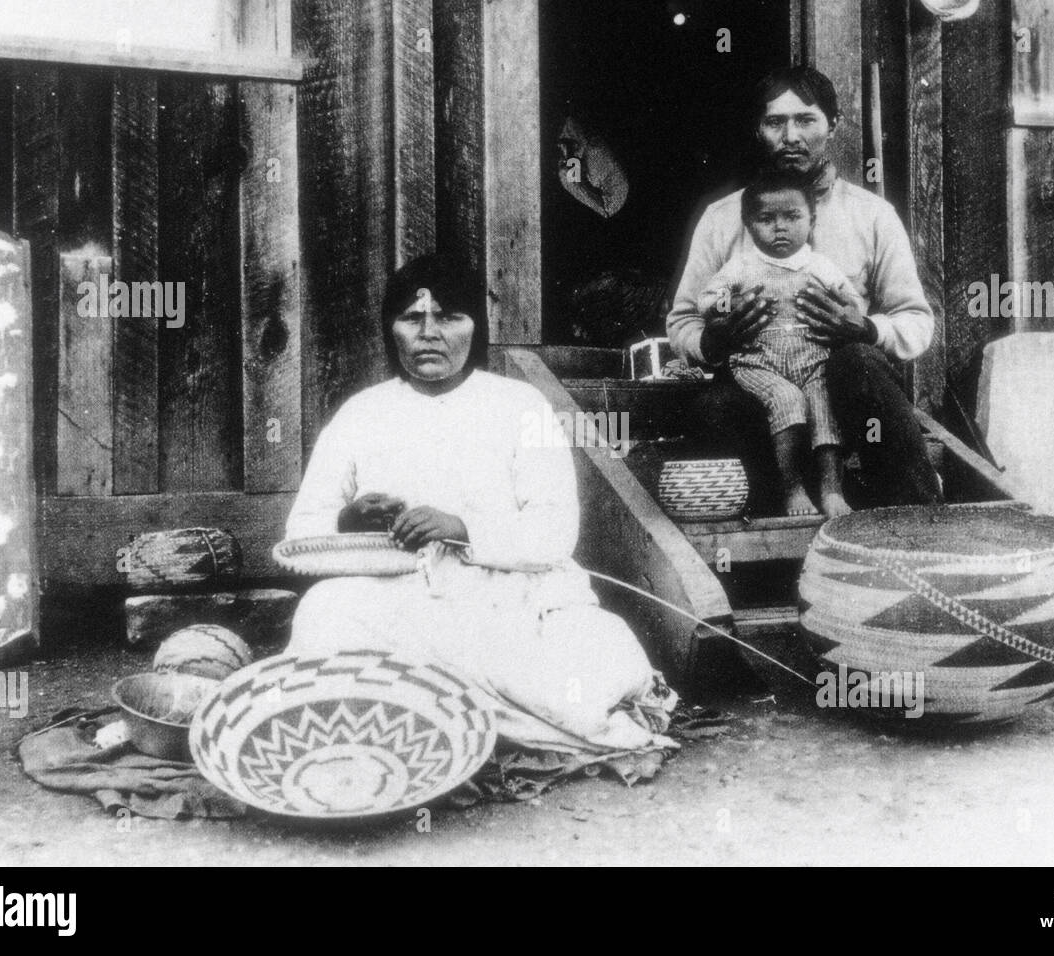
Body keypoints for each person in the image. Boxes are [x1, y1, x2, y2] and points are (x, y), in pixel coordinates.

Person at [285, 254, 677, 764]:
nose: (429, 333)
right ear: (390, 329)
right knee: (324, 614)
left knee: (585, 678)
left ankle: (423, 715)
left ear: (477, 327)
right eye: (412, 318)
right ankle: (445, 716)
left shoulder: (520, 405)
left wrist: (461, 527)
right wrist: (348, 521)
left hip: (510, 597)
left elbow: (556, 530)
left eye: (448, 317)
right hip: (399, 598)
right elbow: (302, 532)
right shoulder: (361, 413)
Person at [667, 65, 943, 510]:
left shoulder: (871, 216)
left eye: (805, 120)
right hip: (764, 399)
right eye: (775, 122)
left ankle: (921, 514)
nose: (790, 135)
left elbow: (916, 321)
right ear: (759, 130)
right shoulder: (723, 218)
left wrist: (866, 328)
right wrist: (715, 335)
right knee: (711, 408)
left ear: (832, 125)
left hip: (847, 407)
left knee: (859, 364)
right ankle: (780, 506)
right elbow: (683, 319)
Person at [699, 168, 861, 517]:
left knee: (823, 404)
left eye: (792, 216)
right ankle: (792, 488)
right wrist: (729, 307)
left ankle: (831, 488)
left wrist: (847, 309)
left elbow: (851, 303)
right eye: (766, 219)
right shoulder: (741, 266)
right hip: (759, 361)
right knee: (786, 400)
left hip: (812, 358)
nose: (780, 227)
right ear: (748, 224)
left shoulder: (820, 265)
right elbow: (708, 299)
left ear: (811, 220)